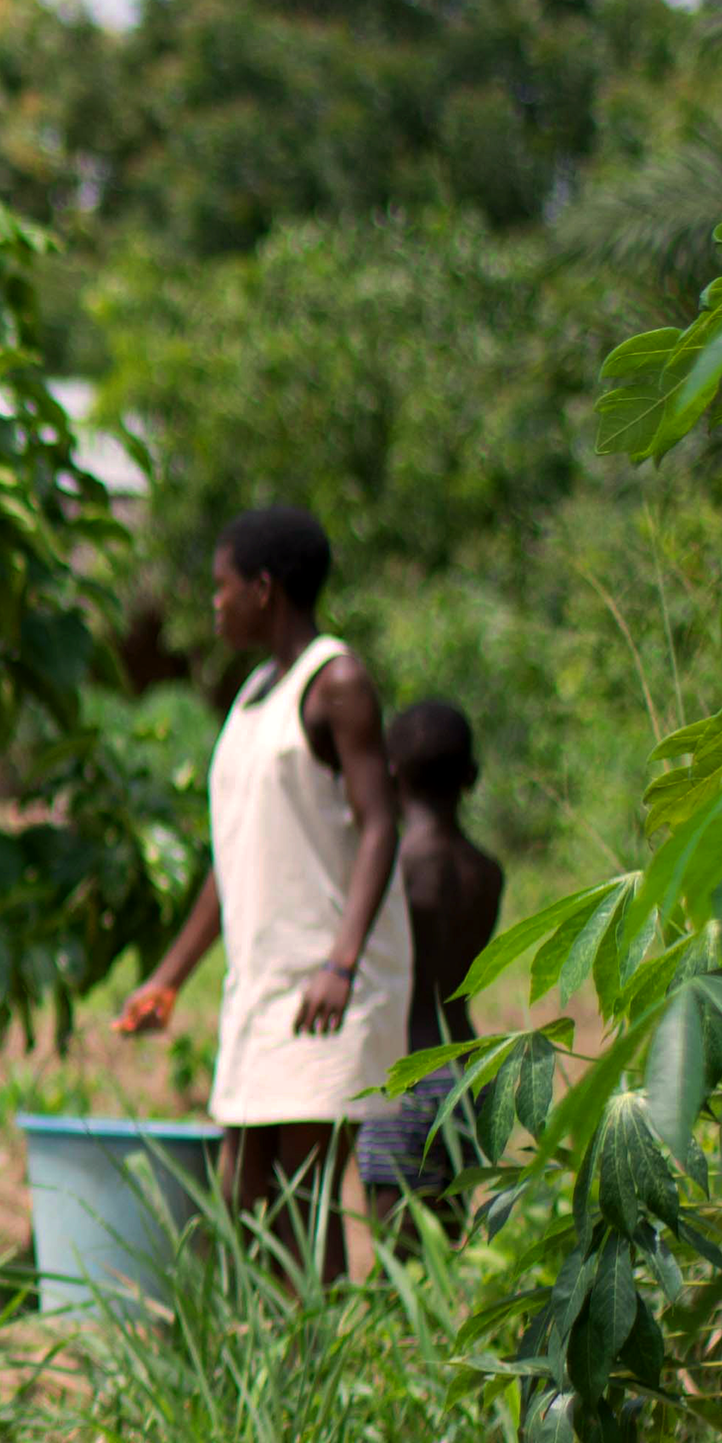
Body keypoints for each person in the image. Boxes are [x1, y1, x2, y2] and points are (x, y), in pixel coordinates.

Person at [114, 504, 407, 1281]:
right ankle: (287, 1368)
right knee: (246, 1196)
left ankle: (328, 1372)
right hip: (264, 983)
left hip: (323, 981)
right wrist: (168, 978)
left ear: (266, 589)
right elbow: (234, 857)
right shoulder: (253, 697)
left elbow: (381, 825)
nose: (215, 602)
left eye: (223, 586)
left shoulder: (335, 682)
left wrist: (341, 964)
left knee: (303, 1198)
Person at [355, 699, 504, 1232]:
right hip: (467, 1070)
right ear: (471, 776)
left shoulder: (391, 871)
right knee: (449, 1241)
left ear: (392, 771)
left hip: (405, 1072)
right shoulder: (488, 872)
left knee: (395, 1250)